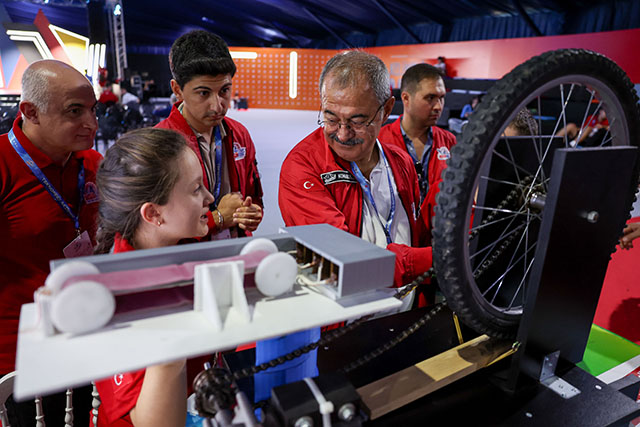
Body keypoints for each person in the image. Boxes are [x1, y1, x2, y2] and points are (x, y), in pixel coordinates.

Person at [0, 59, 100, 425]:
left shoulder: (93, 164)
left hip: (84, 337)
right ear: (31, 112)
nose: (91, 123)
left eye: (93, 109)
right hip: (16, 358)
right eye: (75, 112)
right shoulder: (3, 165)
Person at [279, 51, 432, 289]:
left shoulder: (401, 162)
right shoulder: (303, 167)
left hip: (405, 313)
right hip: (345, 320)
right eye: (330, 119)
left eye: (357, 122)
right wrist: (437, 259)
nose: (342, 133)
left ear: (387, 109)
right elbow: (345, 263)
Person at [93, 127, 214, 426]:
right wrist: (171, 340)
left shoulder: (182, 243)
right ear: (154, 215)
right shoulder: (112, 303)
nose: (210, 197)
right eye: (196, 188)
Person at [157, 30, 263, 240]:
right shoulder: (159, 144)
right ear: (177, 90)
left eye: (224, 91)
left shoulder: (239, 134)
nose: (217, 106)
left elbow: (253, 196)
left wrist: (251, 214)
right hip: (185, 264)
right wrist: (219, 218)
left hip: (235, 253)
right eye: (203, 93)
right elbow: (155, 227)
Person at [378, 63, 456, 232]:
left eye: (441, 98)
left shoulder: (450, 141)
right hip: (394, 239)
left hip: (438, 240)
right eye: (430, 98)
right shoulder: (379, 141)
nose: (438, 106)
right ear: (406, 98)